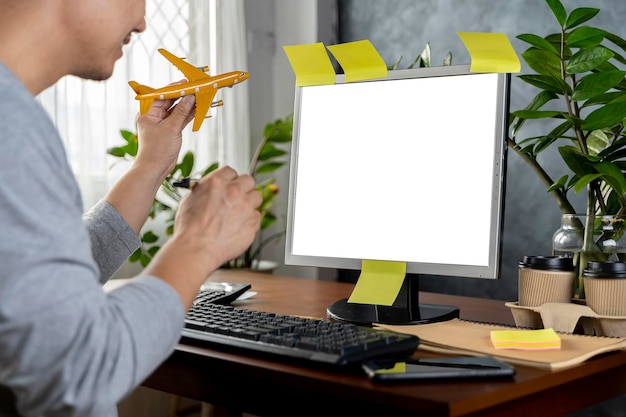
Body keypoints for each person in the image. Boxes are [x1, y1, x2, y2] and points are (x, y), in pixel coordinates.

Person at [0, 0, 262, 416]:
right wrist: (198, 244)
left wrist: (150, 164)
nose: (142, 22)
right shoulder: (10, 129)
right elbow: (79, 371)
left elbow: (46, 282)